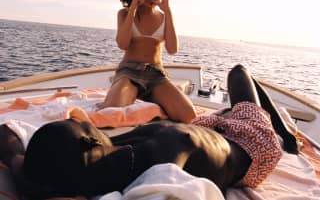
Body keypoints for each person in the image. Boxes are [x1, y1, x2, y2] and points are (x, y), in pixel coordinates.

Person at [0, 64, 297, 199]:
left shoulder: (104, 155)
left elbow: (7, 136)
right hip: (251, 144)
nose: (84, 119)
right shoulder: (165, 166)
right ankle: (284, 134)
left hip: (209, 132)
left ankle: (228, 115)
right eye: (78, 121)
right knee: (239, 72)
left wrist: (23, 172)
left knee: (216, 114)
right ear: (88, 140)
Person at [102, 0, 196, 123]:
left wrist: (167, 9)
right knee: (111, 112)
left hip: (156, 74)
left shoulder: (164, 16)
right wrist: (132, 8)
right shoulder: (124, 14)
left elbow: (172, 49)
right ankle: (132, 93)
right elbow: (123, 44)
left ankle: (150, 99)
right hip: (129, 71)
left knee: (189, 116)